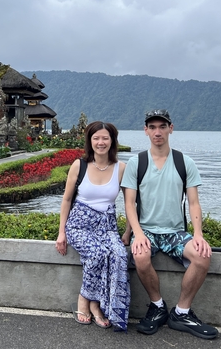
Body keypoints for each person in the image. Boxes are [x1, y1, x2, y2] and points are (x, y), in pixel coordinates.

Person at [121, 109, 218, 339]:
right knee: (140, 256)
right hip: (147, 231)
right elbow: (129, 204)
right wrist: (137, 233)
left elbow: (193, 203)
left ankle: (181, 312)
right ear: (145, 131)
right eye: (152, 127)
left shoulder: (185, 162)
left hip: (175, 232)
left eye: (162, 127)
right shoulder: (137, 163)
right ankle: (157, 306)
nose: (157, 132)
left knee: (202, 256)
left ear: (170, 128)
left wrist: (198, 234)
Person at [55, 121, 130, 331]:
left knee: (118, 255)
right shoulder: (79, 166)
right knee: (97, 254)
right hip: (79, 225)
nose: (101, 142)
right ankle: (88, 302)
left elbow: (130, 203)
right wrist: (62, 233)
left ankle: (111, 307)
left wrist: (128, 232)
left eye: (105, 138)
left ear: (112, 141)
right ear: (89, 141)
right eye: (96, 138)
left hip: (107, 227)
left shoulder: (121, 168)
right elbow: (66, 200)